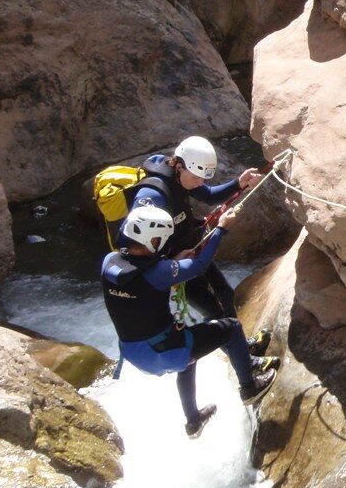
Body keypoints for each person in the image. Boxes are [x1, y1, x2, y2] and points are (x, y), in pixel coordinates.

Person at [101, 204, 278, 438]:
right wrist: (221, 229)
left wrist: (172, 261)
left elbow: (144, 277)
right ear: (152, 240)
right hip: (166, 350)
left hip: (135, 352)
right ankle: (249, 388)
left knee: (189, 357)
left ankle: (193, 421)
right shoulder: (159, 272)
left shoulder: (110, 262)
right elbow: (199, 266)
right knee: (231, 328)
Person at [124, 135, 263, 335]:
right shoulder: (152, 196)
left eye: (202, 179)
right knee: (214, 312)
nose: (199, 183)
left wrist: (239, 183)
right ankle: (238, 353)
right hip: (175, 264)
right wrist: (169, 261)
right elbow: (134, 242)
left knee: (225, 292)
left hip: (193, 249)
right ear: (179, 165)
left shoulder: (181, 178)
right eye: (196, 178)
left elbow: (209, 196)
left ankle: (239, 344)